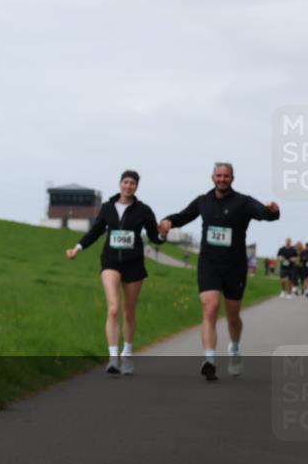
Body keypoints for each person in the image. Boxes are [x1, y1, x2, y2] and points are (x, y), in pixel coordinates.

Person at [158, 163, 280, 381]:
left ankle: (234, 349)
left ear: (232, 178)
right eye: (219, 175)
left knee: (233, 316)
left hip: (234, 266)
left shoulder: (243, 202)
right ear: (212, 177)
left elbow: (264, 213)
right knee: (211, 308)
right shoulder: (203, 201)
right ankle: (210, 359)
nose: (222, 179)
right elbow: (183, 216)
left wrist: (272, 211)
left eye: (226, 176)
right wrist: (168, 220)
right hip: (209, 264)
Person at [66, 170, 165, 376]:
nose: (128, 186)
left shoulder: (143, 210)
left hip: (134, 264)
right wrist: (77, 248)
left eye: (132, 184)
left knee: (129, 312)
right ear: (120, 184)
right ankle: (113, 357)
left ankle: (127, 353)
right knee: (113, 308)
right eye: (125, 182)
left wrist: (163, 234)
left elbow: (154, 236)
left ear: (136, 187)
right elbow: (95, 232)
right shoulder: (107, 207)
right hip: (110, 261)